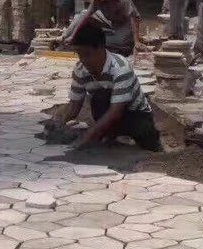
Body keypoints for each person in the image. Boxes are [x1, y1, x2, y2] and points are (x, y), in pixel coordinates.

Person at [51, 21, 161, 151]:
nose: (84, 60)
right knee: (99, 98)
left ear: (101, 48)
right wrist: (59, 125)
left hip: (136, 115)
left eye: (87, 54)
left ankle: (151, 146)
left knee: (146, 144)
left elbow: (116, 112)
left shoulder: (120, 68)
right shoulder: (80, 70)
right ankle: (110, 138)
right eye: (80, 55)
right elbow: (74, 106)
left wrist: (87, 136)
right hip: (109, 114)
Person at [62, 0, 143, 56]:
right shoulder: (97, 0)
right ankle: (64, 38)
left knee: (119, 43)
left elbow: (134, 18)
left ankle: (107, 41)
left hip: (124, 26)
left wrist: (136, 41)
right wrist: (73, 35)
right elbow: (86, 17)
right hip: (110, 22)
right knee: (83, 13)